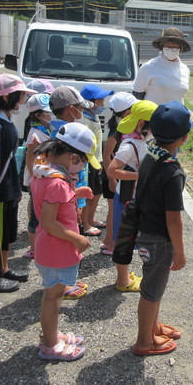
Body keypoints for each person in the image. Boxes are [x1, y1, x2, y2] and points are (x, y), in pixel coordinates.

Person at [133, 101, 193, 356]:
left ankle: (154, 327)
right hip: (159, 239)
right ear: (184, 138)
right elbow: (173, 218)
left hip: (144, 229)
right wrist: (180, 252)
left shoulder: (151, 153)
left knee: (155, 285)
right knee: (151, 291)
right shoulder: (172, 172)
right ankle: (144, 341)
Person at [31, 123, 98, 361]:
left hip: (49, 247)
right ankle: (50, 345)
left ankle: (51, 334)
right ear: (72, 157)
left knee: (54, 294)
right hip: (56, 249)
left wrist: (76, 193)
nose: (83, 166)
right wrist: (77, 238)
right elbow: (50, 222)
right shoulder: (58, 182)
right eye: (83, 161)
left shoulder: (43, 170)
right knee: (53, 297)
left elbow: (51, 203)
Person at [0, 74, 37, 293]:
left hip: (8, 188)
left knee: (9, 231)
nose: (23, 100)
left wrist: (15, 189)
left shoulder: (5, 119)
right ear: (5, 97)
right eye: (20, 96)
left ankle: (4, 267)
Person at [47, 85, 96, 299]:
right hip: (66, 194)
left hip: (72, 192)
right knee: (67, 235)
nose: (81, 113)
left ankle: (68, 279)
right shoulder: (64, 136)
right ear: (70, 109)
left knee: (72, 228)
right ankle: (63, 284)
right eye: (78, 108)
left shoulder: (58, 131)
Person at [106, 100, 158, 292]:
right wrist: (140, 176)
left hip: (133, 198)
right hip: (126, 201)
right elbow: (113, 170)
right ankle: (122, 281)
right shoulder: (130, 145)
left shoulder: (141, 141)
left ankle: (125, 275)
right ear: (142, 124)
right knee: (124, 241)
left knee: (128, 238)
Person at [100, 92, 138, 255]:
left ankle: (108, 241)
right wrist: (112, 179)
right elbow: (107, 153)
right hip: (114, 176)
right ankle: (112, 244)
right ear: (128, 112)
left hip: (117, 174)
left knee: (114, 209)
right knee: (114, 210)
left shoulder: (121, 125)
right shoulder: (118, 130)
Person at [21, 93, 54, 260]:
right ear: (39, 115)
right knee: (35, 215)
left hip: (45, 176)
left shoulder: (46, 129)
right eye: (47, 113)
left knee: (41, 213)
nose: (51, 115)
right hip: (38, 179)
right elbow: (29, 159)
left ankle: (41, 244)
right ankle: (33, 248)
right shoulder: (35, 134)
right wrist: (34, 178)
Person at [79, 84, 114, 234]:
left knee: (97, 192)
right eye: (100, 101)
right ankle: (85, 224)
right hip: (88, 161)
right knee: (88, 194)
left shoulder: (93, 117)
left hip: (96, 160)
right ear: (89, 103)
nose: (103, 105)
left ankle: (91, 218)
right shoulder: (84, 121)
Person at [132, 27, 191, 104]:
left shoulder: (185, 70)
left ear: (180, 48)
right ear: (162, 46)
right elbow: (137, 96)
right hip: (153, 114)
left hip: (176, 115)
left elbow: (180, 96)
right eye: (167, 46)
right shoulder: (148, 67)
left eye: (174, 46)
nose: (170, 49)